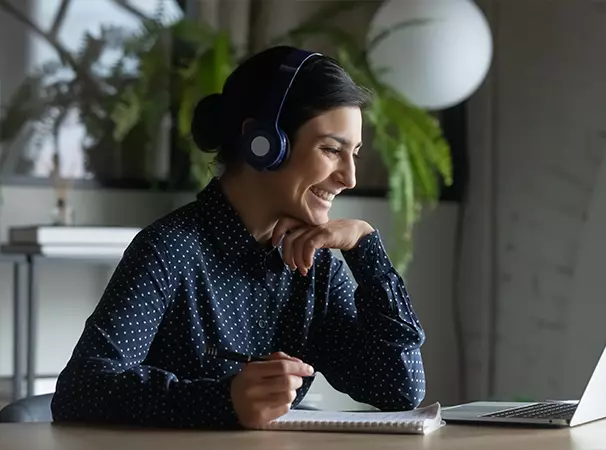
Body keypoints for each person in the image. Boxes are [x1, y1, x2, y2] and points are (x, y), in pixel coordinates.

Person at [50, 46, 427, 429]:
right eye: (331, 150)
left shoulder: (315, 265)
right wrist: (223, 401)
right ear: (263, 143)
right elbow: (80, 390)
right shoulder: (170, 249)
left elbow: (399, 389)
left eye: (354, 155)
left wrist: (366, 249)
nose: (349, 178)